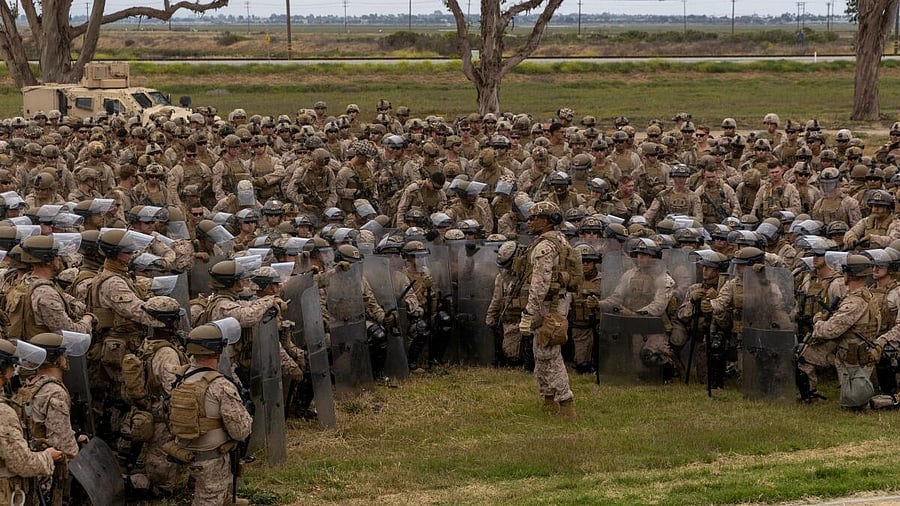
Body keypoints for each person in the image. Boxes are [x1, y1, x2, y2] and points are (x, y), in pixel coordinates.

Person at [167, 323, 252, 506]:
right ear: (217, 351)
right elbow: (240, 431)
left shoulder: (180, 377)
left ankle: (224, 498)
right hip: (210, 458)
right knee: (208, 499)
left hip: (184, 449)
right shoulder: (220, 385)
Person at [516, 201, 575, 418]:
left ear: (547, 221)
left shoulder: (545, 247)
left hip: (549, 305)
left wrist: (529, 312)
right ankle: (548, 398)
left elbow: (540, 284)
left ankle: (565, 401)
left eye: (534, 218)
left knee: (549, 353)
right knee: (540, 350)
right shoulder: (560, 240)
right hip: (557, 302)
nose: (530, 222)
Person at [796, 255, 879, 403]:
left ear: (850, 274)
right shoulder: (868, 295)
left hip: (851, 356)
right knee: (806, 353)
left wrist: (818, 321)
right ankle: (811, 395)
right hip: (856, 349)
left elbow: (828, 331)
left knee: (853, 402)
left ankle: (810, 395)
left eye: (844, 271)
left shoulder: (854, 302)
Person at [0, 339, 63, 505]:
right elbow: (21, 463)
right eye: (12, 365)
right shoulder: (3, 413)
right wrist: (48, 457)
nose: (14, 371)